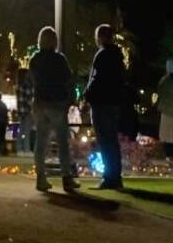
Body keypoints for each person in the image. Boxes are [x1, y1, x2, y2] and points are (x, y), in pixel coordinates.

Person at [29, 26, 78, 192]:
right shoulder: (59, 59)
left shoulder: (35, 59)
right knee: (62, 142)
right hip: (57, 103)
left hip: (40, 103)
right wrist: (70, 99)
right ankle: (66, 177)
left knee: (41, 142)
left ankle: (41, 177)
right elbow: (68, 80)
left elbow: (33, 81)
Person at [84, 24, 127, 190]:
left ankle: (109, 177)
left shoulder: (102, 55)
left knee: (104, 139)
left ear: (101, 37)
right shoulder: (118, 56)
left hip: (101, 102)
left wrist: (87, 95)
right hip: (113, 102)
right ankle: (115, 176)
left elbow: (95, 78)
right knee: (112, 140)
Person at [15, 67, 36, 155]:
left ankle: (19, 149)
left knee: (21, 130)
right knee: (27, 131)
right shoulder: (27, 85)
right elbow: (29, 100)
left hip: (21, 111)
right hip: (27, 111)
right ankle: (27, 149)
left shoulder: (19, 86)